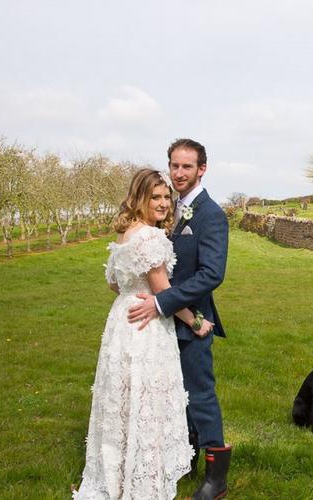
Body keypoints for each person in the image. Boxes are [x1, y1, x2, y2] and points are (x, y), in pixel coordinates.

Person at [73, 168, 214, 499]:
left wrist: (132, 294)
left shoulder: (125, 234)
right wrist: (195, 321)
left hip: (122, 320)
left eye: (167, 197)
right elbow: (162, 289)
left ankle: (118, 470)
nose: (164, 203)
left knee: (124, 395)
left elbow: (113, 283)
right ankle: (143, 476)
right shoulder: (151, 237)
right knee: (147, 394)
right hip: (146, 324)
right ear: (139, 198)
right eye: (155, 197)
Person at [127, 138, 231, 500]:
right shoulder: (169, 209)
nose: (179, 173)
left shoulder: (210, 214)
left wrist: (162, 302)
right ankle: (183, 458)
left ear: (202, 169)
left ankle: (216, 478)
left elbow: (212, 273)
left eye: (187, 166)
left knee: (200, 394)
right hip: (164, 324)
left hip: (193, 320)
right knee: (175, 394)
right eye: (174, 165)